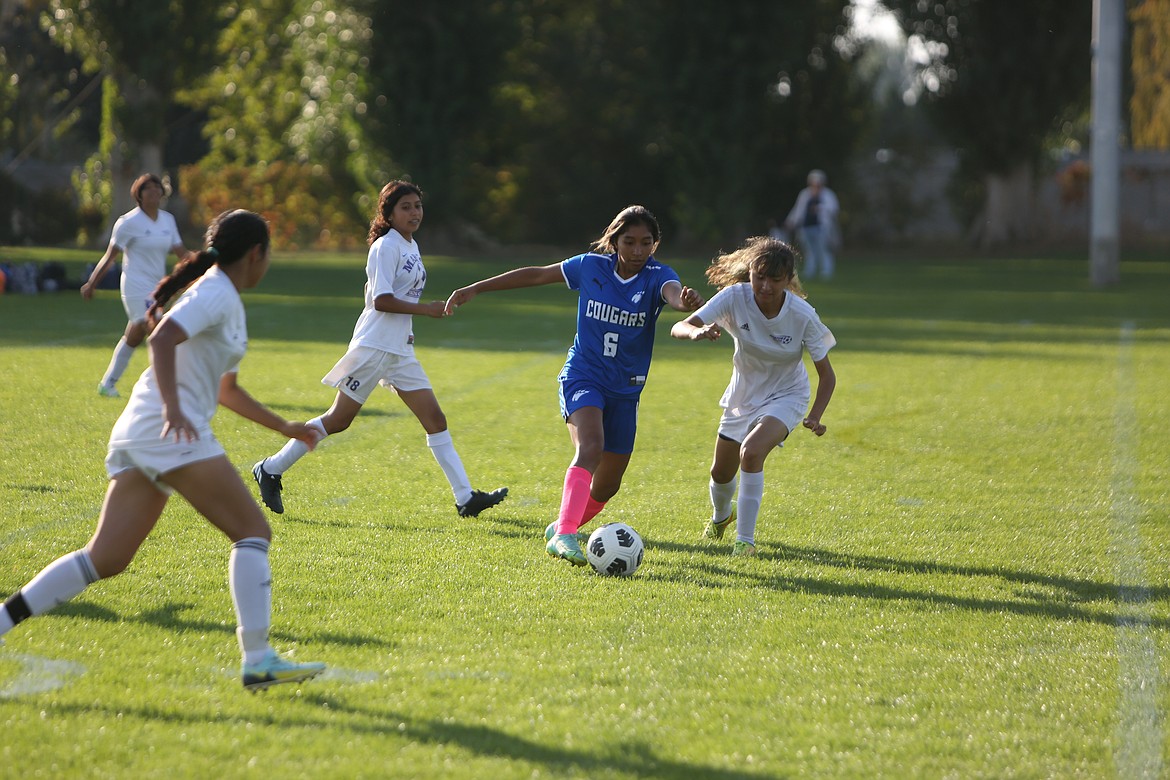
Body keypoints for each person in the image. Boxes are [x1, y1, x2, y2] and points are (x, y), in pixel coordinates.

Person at [0, 209, 326, 690]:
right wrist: (175, 409)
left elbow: (225, 390)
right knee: (253, 531)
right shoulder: (216, 291)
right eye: (270, 253)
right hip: (168, 431)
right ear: (257, 254)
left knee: (104, 559)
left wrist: (283, 425)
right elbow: (163, 337)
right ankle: (258, 660)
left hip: (145, 431)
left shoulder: (221, 295)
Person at [445, 205, 703, 565]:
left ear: (655, 245)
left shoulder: (659, 276)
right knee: (591, 446)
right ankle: (566, 536)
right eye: (629, 242)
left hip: (626, 389)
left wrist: (685, 302)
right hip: (584, 375)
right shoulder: (590, 266)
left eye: (647, 242)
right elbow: (537, 275)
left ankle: (562, 526)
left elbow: (673, 294)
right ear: (614, 242)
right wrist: (476, 287)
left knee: (609, 484)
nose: (638, 250)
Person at [252, 180, 508, 519]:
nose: (414, 212)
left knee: (435, 418)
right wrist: (426, 310)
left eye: (417, 205)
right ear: (388, 213)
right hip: (373, 347)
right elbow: (381, 300)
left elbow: (377, 293)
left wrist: (408, 331)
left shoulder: (410, 245)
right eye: (406, 207)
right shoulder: (385, 246)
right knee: (338, 420)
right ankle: (270, 468)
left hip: (399, 350)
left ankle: (465, 498)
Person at [671, 236, 836, 557]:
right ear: (750, 273)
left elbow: (827, 375)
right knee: (720, 473)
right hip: (743, 394)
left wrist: (815, 414)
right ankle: (722, 516)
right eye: (759, 277)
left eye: (775, 280)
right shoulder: (734, 297)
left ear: (788, 280)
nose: (765, 286)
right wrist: (697, 332)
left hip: (787, 394)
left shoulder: (802, 315)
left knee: (752, 452)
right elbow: (679, 326)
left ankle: (745, 542)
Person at [82, 173, 193, 398]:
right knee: (157, 329)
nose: (153, 192)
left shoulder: (167, 220)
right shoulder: (127, 223)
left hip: (158, 286)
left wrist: (202, 268)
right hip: (134, 285)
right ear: (138, 194)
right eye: (147, 189)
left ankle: (107, 383)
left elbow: (182, 254)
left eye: (157, 188)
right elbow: (110, 257)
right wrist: (92, 283)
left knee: (135, 335)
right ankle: (167, 387)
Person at [783, 169, 839, 281]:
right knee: (809, 250)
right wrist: (791, 220)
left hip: (821, 228)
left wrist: (819, 208)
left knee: (823, 249)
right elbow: (798, 209)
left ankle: (826, 271)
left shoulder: (828, 195)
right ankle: (810, 271)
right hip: (806, 227)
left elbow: (834, 209)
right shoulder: (805, 194)